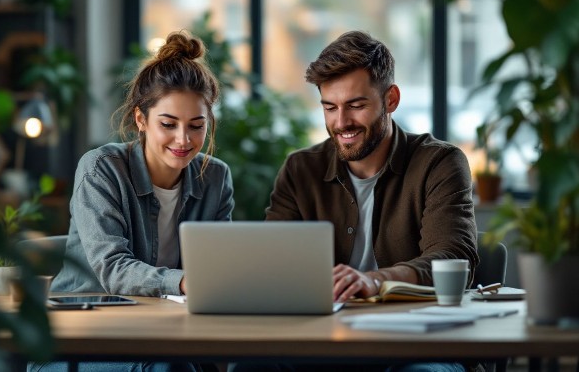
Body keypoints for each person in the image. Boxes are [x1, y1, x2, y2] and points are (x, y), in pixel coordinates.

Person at [263, 30, 479, 372]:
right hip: (321, 343)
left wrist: (375, 280)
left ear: (390, 99)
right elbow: (271, 262)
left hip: (416, 346)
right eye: (330, 107)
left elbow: (453, 258)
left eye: (356, 105)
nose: (341, 122)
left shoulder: (439, 163)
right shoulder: (300, 169)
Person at [35, 30, 234, 372]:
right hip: (85, 342)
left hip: (168, 335)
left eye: (197, 126)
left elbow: (218, 267)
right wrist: (185, 281)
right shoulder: (102, 169)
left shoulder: (215, 177)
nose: (183, 139)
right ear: (141, 120)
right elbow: (112, 268)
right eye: (168, 124)